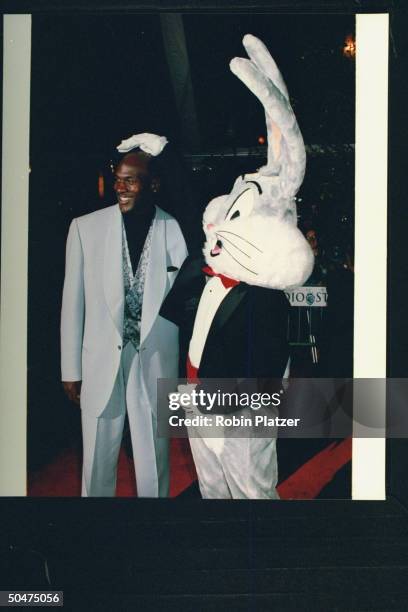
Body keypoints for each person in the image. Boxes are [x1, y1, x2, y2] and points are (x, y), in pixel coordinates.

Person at [61, 133, 188, 497]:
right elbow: (73, 303)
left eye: (130, 180)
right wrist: (71, 369)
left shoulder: (173, 229)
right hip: (100, 361)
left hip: (153, 362)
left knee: (154, 460)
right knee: (97, 458)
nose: (121, 187)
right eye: (118, 178)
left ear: (153, 184)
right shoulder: (85, 228)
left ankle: (153, 529)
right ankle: (95, 530)